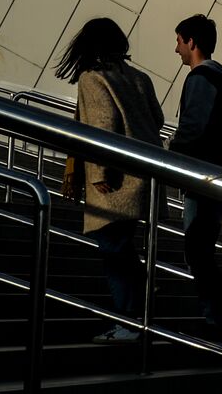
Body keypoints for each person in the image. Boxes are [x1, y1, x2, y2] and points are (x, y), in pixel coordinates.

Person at [57, 17, 166, 345]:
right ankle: (139, 303)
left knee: (112, 249)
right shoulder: (139, 77)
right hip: (143, 175)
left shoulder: (93, 79)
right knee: (120, 246)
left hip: (114, 180)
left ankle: (129, 318)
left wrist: (100, 173)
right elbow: (157, 119)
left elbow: (103, 125)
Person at [171, 13, 222, 344]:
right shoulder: (217, 80)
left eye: (179, 41)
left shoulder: (200, 78)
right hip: (218, 174)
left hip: (205, 178)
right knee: (199, 250)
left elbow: (192, 128)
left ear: (192, 43)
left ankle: (218, 322)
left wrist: (171, 155)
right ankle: (217, 320)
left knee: (197, 251)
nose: (176, 49)